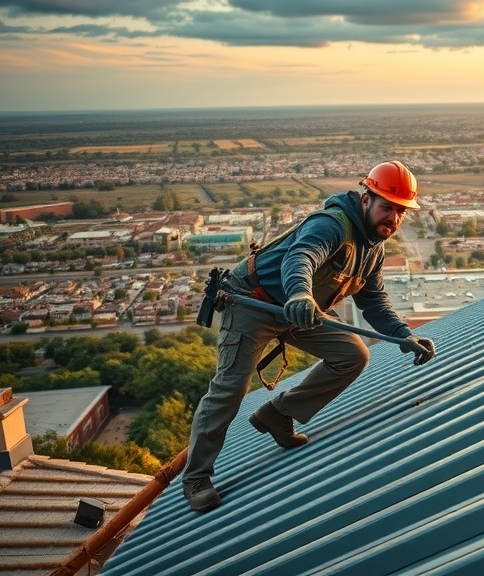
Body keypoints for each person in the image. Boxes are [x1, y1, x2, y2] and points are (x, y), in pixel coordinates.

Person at [182, 160, 436, 512]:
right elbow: (301, 257)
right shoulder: (332, 224)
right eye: (386, 207)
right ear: (366, 199)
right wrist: (301, 294)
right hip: (255, 302)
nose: (393, 218)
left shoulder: (373, 249)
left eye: (400, 211)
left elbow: (374, 301)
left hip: (300, 310)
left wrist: (402, 334)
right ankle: (196, 477)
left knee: (353, 355)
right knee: (231, 387)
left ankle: (278, 413)